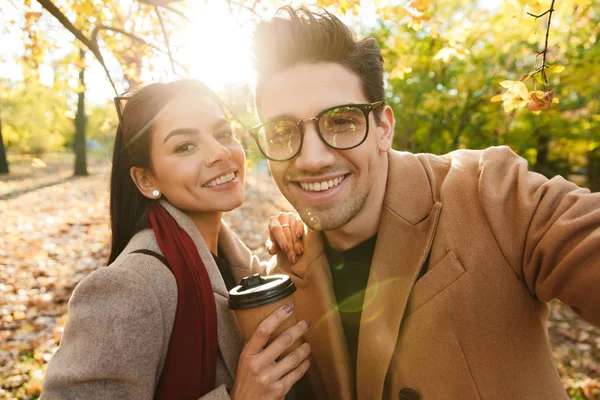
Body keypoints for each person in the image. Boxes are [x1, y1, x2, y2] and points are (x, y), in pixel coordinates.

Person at [250, 6, 600, 400]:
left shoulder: (490, 191)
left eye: (341, 121)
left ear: (383, 129)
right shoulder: (281, 276)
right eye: (282, 131)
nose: (311, 159)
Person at [41, 79, 311, 400]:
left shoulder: (232, 261)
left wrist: (291, 238)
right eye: (185, 146)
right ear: (146, 179)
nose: (220, 152)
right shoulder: (128, 287)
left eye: (224, 134)